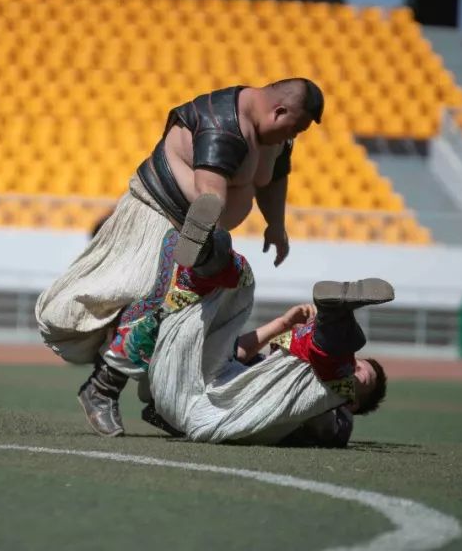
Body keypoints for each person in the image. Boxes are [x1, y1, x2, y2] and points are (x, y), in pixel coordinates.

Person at [35, 78, 324, 436]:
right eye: (292, 126)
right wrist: (206, 252)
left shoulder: (276, 133)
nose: (291, 135)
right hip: (160, 217)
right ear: (279, 110)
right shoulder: (222, 124)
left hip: (202, 233)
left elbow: (274, 175)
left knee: (214, 300)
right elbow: (209, 198)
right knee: (164, 298)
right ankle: (102, 387)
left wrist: (276, 226)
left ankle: (164, 395)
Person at [143, 274, 391, 446]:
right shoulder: (266, 374)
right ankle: (212, 263)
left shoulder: (340, 420)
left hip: (230, 417)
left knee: (326, 385)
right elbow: (235, 353)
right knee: (233, 300)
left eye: (363, 375)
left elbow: (323, 424)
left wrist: (337, 376)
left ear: (354, 405)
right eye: (357, 364)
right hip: (199, 393)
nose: (355, 368)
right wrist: (282, 324)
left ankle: (333, 325)